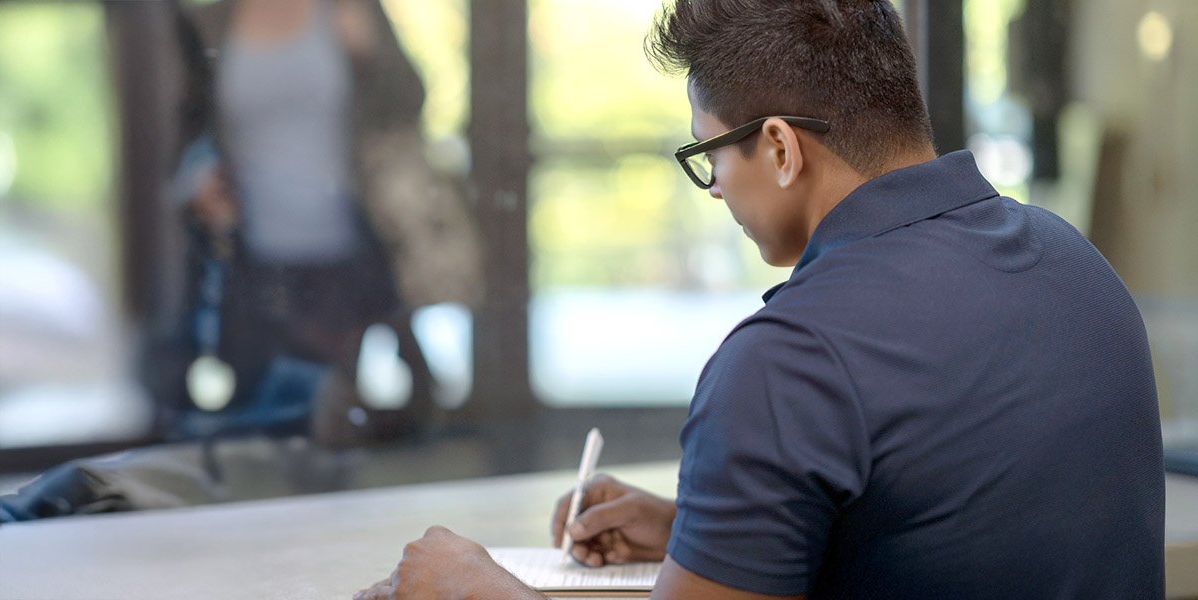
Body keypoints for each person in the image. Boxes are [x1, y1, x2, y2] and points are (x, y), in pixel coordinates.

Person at [355, 0, 1164, 598]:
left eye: (709, 154)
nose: (713, 191)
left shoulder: (790, 359)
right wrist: (709, 536)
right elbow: (971, 537)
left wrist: (475, 587)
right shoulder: (1078, 265)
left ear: (779, 147)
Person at [168, 0, 471, 444]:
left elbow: (410, 101)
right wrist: (200, 182)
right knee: (266, 422)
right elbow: (186, 132)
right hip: (255, 255)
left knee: (354, 417)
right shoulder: (211, 22)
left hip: (350, 245)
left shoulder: (348, 7)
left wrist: (367, 52)